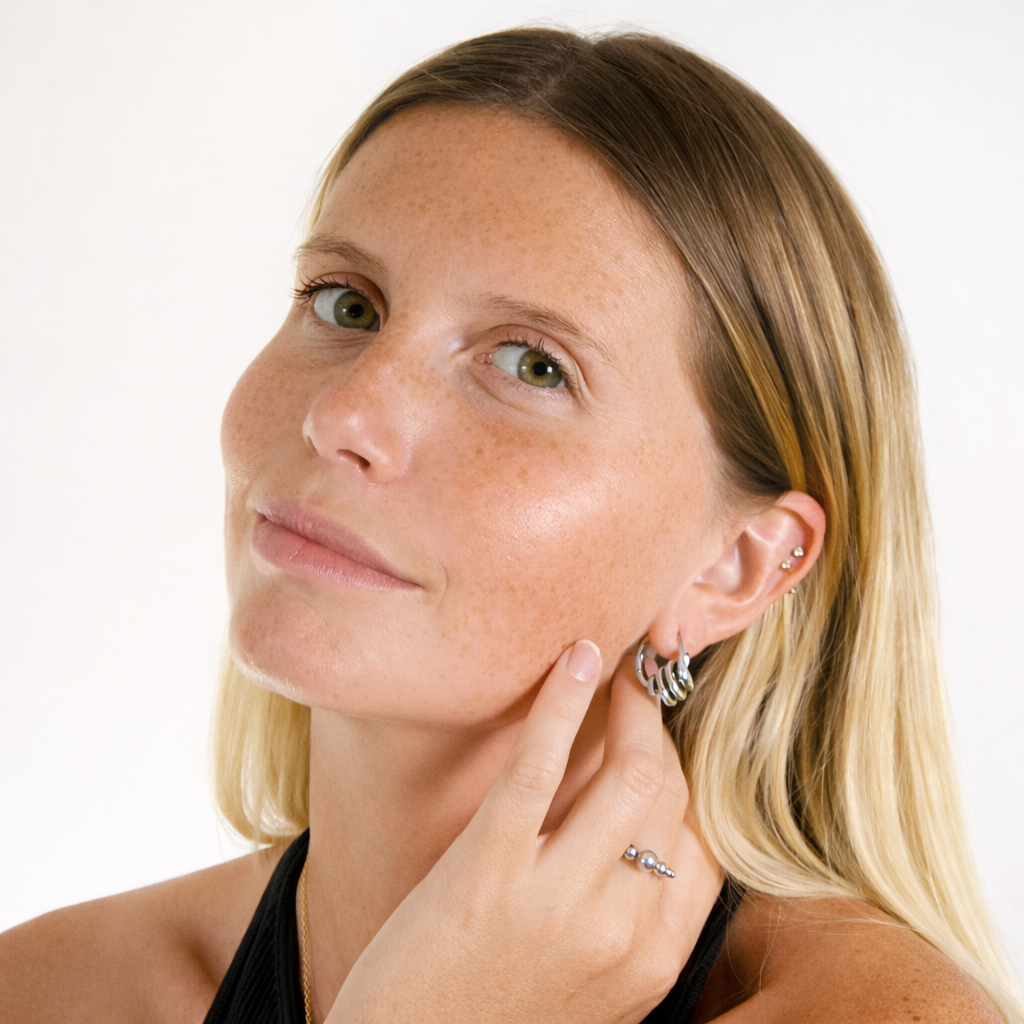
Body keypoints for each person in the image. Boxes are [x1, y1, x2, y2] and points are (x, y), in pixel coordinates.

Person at [1, 26, 1019, 1024]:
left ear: (734, 566)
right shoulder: (49, 991)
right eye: (346, 303)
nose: (344, 414)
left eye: (532, 365)